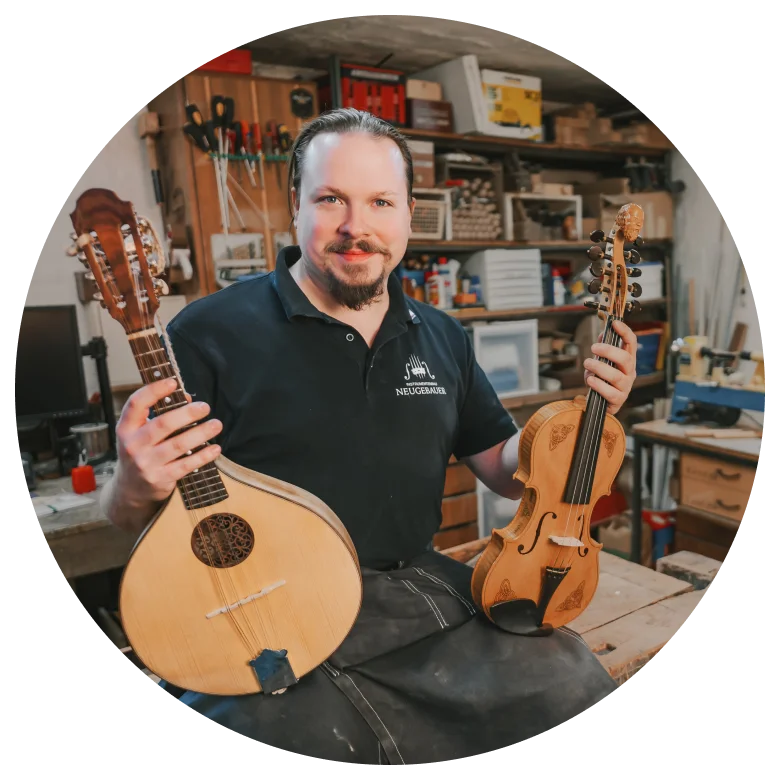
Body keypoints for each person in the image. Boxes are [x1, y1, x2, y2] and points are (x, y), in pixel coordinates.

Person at [100, 108, 639, 765]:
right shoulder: (206, 333)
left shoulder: (441, 335)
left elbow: (503, 466)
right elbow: (134, 516)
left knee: (572, 683)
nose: (357, 228)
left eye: (380, 201)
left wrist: (586, 418)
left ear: (409, 214)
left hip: (411, 594)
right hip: (263, 607)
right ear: (295, 205)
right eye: (331, 199)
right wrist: (132, 483)